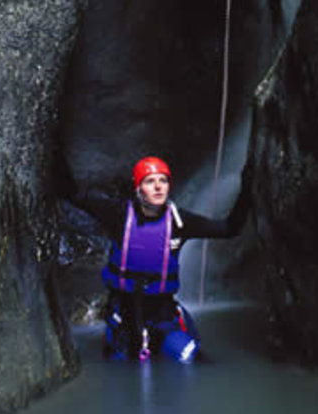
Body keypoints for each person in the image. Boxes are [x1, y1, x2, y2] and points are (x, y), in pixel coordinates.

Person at [72, 155, 251, 363]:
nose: (158, 187)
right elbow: (73, 195)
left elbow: (230, 228)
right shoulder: (118, 214)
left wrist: (247, 189)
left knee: (191, 360)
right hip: (126, 316)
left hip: (163, 317)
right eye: (150, 181)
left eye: (163, 181)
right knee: (122, 367)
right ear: (138, 188)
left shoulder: (179, 221)